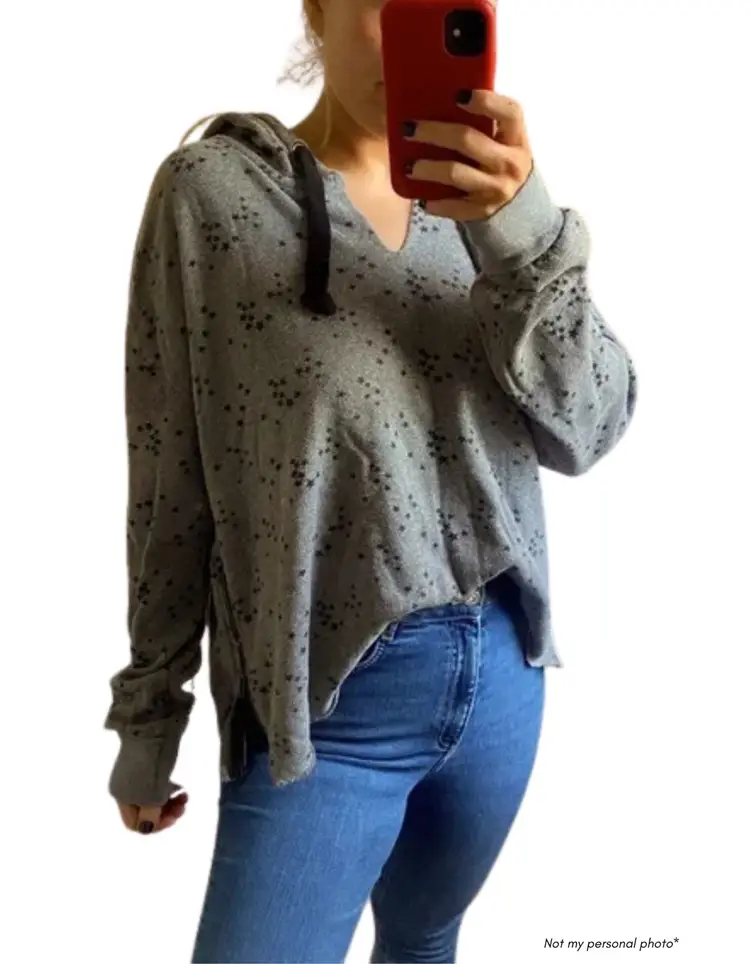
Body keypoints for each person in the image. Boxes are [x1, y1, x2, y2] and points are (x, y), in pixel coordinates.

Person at [104, 0, 637, 960]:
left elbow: (589, 427)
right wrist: (150, 715)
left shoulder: (493, 205)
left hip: (503, 690)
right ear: (317, 8)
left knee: (424, 946)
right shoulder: (215, 196)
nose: (408, 32)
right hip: (323, 711)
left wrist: (521, 233)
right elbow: (170, 471)